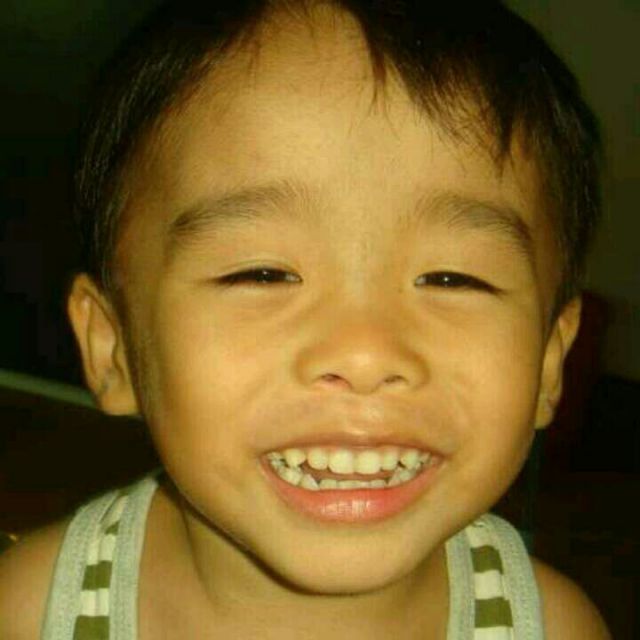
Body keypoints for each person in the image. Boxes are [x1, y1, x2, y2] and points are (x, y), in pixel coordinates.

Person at [0, 1, 612, 637]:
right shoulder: (27, 613)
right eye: (262, 274)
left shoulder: (555, 628)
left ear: (549, 361)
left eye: (452, 278)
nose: (365, 355)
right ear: (114, 347)